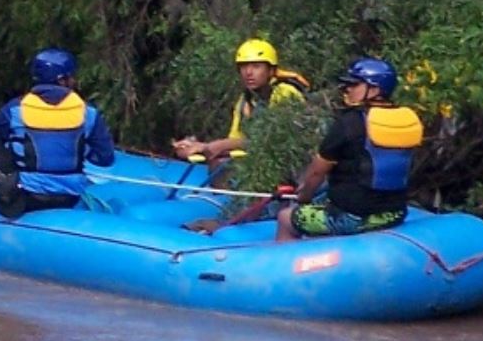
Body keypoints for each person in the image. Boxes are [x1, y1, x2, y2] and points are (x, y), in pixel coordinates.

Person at [0, 49, 116, 219]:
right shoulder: (89, 113)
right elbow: (104, 158)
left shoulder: (14, 109)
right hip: (70, 198)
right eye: (71, 77)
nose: (74, 81)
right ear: (62, 80)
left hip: (24, 197)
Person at [276, 58, 422, 242]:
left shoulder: (349, 123)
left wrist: (303, 197)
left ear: (375, 90)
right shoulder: (405, 120)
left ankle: (288, 265)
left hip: (354, 218)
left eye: (354, 85)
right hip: (394, 212)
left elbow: (316, 174)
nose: (347, 89)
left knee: (285, 218)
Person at [172, 38, 310, 165]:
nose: (249, 72)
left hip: (290, 164)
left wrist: (217, 146)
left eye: (256, 66)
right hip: (259, 160)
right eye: (244, 67)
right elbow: (236, 140)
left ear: (271, 71)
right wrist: (199, 148)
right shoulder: (245, 100)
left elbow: (276, 141)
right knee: (217, 159)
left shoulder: (285, 93)